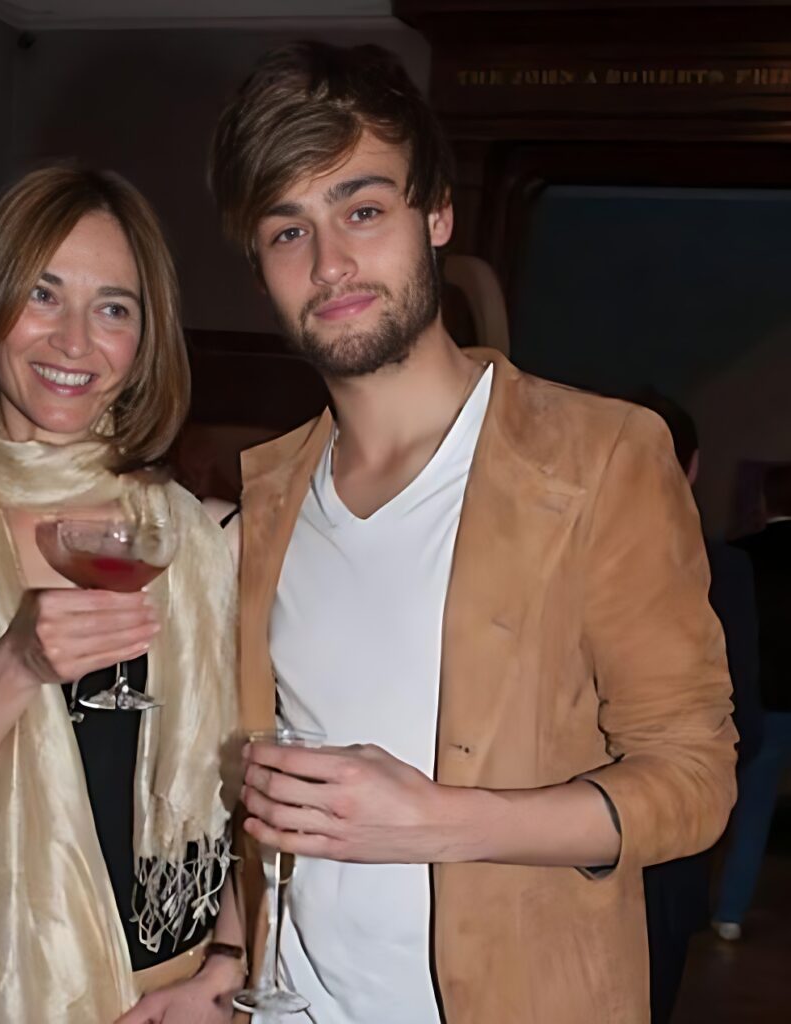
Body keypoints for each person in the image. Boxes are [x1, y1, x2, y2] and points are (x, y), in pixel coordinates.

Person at [209, 42, 737, 1023]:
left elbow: (696, 782)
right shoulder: (266, 498)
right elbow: (274, 782)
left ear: (437, 214)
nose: (330, 263)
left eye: (364, 210)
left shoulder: (602, 460)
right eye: (288, 231)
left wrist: (439, 822)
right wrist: (230, 954)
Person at [0, 167, 244, 1024]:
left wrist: (229, 965)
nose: (74, 340)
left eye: (113, 308)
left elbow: (265, 791)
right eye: (41, 293)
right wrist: (17, 663)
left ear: (144, 341)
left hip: (170, 1001)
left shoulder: (206, 538)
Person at [633, 391, 761, 1023]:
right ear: (693, 466)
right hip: (664, 847)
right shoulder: (718, 567)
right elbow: (742, 726)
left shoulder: (529, 558)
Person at [712, 462, 791, 941]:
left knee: (752, 810)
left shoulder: (740, 556)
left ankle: (730, 913)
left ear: (765, 500)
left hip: (760, 699)